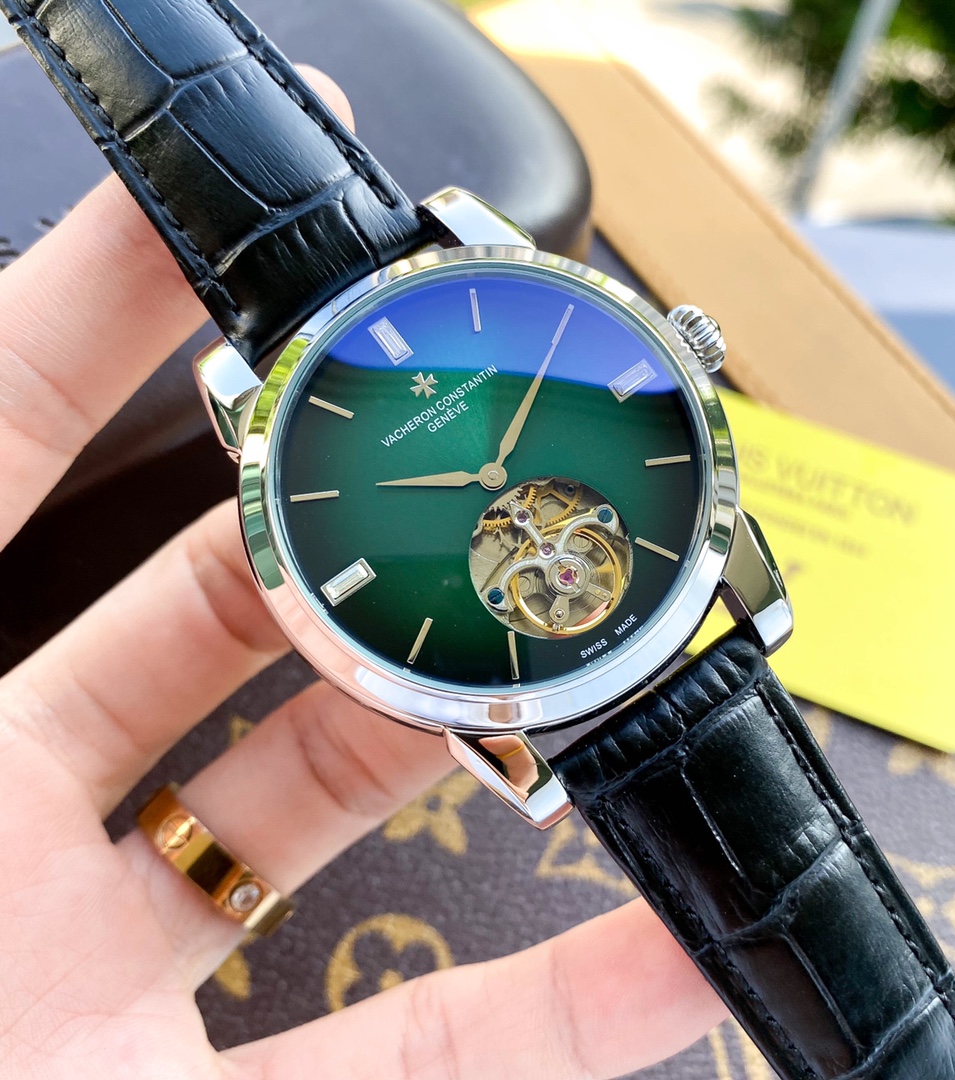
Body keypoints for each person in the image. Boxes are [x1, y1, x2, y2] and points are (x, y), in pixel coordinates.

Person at [0, 68, 723, 1078]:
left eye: (495, 474)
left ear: (687, 352)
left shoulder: (459, 240)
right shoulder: (252, 392)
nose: (493, 483)